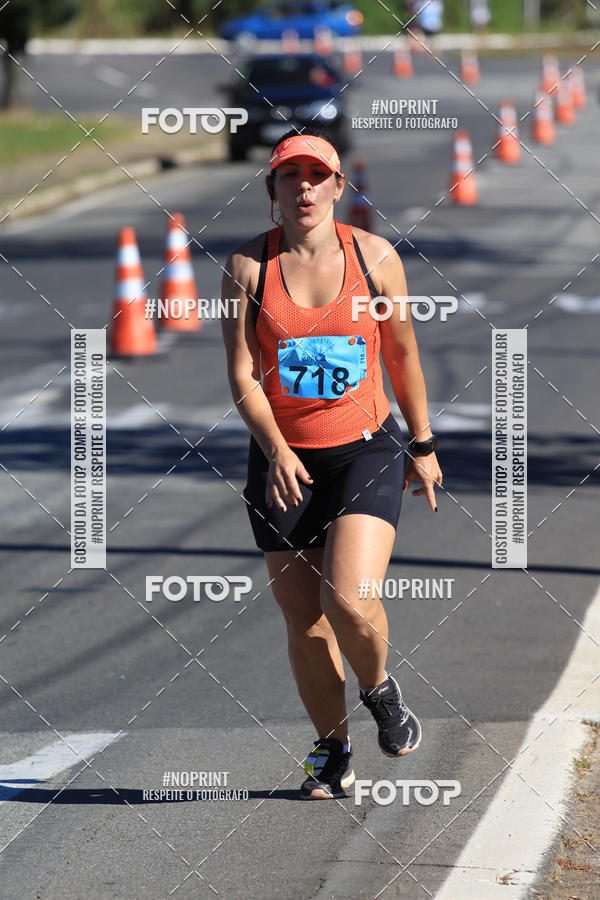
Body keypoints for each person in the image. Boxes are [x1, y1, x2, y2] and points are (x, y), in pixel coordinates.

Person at [220, 128, 442, 800]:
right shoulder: (247, 268)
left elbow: (401, 353)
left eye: (319, 176)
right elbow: (241, 374)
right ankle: (333, 750)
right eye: (292, 177)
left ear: (339, 189)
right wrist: (278, 450)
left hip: (365, 448)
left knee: (346, 596)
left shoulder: (375, 258)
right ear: (274, 194)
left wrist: (424, 444)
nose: (306, 188)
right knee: (305, 621)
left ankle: (378, 688)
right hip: (280, 460)